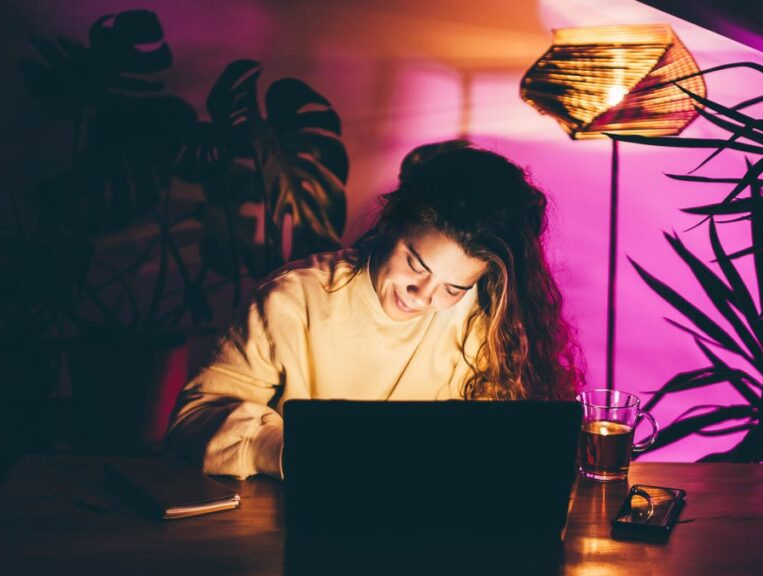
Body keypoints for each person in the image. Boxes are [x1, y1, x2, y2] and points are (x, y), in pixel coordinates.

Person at [167, 142, 584, 479]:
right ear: (390, 224)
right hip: (302, 524)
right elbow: (193, 420)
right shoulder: (292, 300)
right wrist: (293, 453)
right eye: (415, 265)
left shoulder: (487, 318)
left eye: (453, 288)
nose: (421, 295)